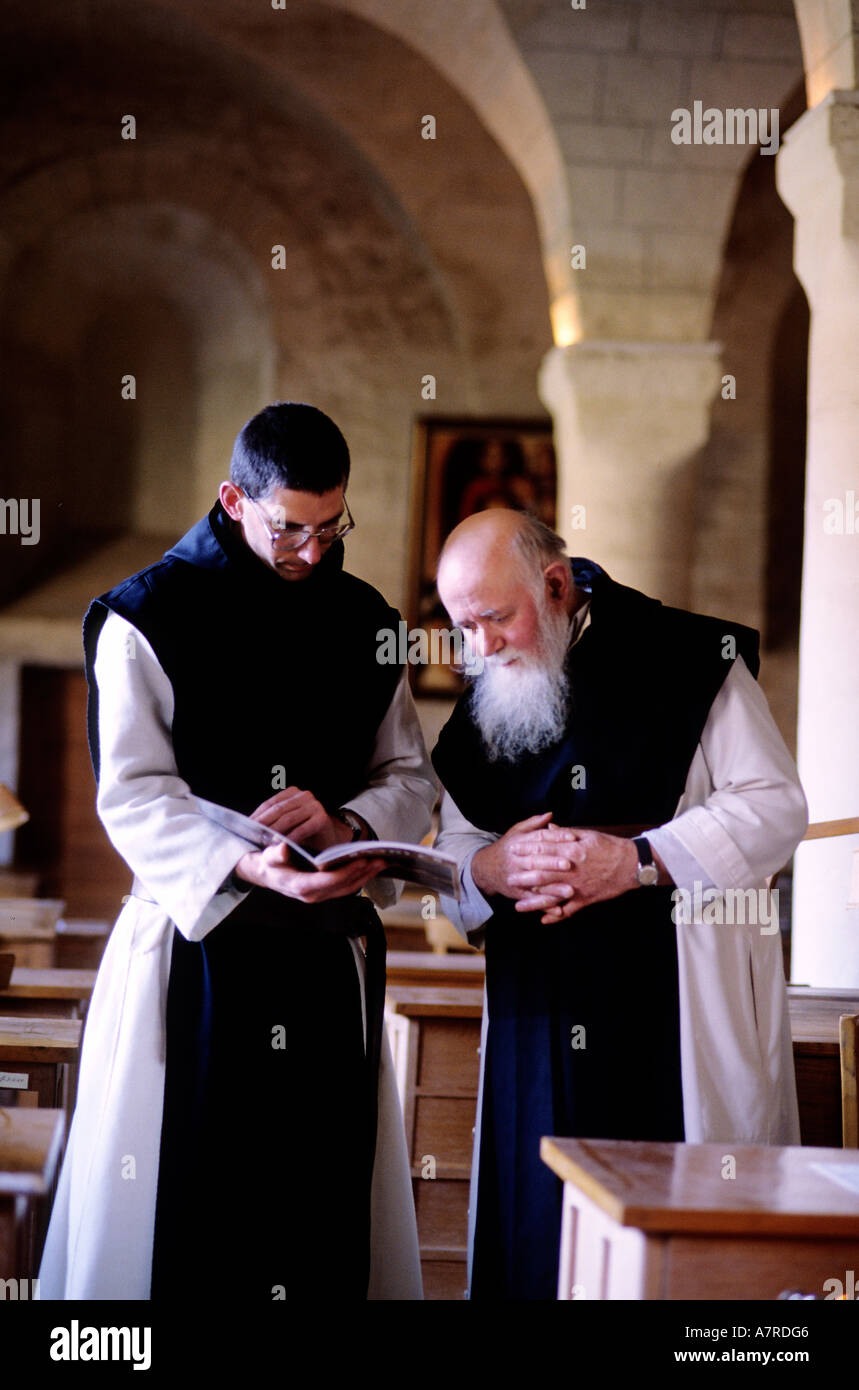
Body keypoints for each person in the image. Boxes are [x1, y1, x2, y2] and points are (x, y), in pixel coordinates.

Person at [39, 402, 437, 1300]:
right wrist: (244, 863)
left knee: (316, 1211)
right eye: (289, 527)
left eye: (331, 527)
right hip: (196, 948)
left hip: (321, 958)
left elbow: (408, 774)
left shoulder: (365, 618)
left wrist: (346, 825)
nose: (311, 551)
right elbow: (134, 793)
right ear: (233, 498)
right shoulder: (144, 616)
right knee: (180, 1222)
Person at [431, 509, 808, 1302]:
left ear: (556, 584)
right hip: (534, 999)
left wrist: (635, 861)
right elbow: (458, 845)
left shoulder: (690, 657)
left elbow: (773, 805)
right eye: (462, 627)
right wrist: (491, 867)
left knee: (662, 1234)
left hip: (670, 983)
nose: (480, 648)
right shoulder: (486, 692)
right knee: (535, 1224)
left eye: (494, 619)